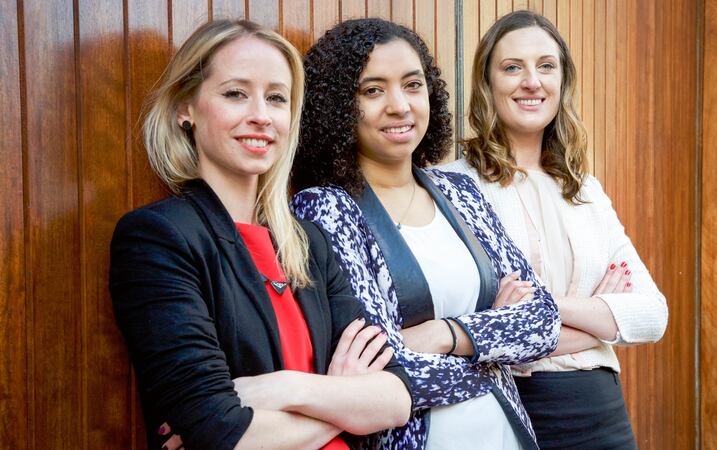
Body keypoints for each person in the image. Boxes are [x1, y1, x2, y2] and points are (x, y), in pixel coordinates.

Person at [109, 19, 412, 450]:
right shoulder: (158, 237)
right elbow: (221, 433)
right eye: (235, 93)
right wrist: (344, 404)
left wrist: (288, 388)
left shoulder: (310, 244)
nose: (260, 116)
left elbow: (397, 399)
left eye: (276, 98)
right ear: (185, 107)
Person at [291, 18, 560, 450]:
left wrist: (444, 334)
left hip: (508, 434)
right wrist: (493, 339)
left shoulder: (460, 191)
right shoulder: (325, 208)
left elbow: (543, 321)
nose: (400, 105)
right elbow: (384, 369)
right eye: (373, 90)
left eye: (413, 85)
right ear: (339, 107)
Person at [443, 11, 669, 449]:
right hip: (501, 409)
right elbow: (463, 332)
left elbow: (652, 314)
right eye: (513, 67)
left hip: (600, 415)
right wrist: (596, 316)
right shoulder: (451, 187)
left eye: (546, 66)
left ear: (562, 82)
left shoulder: (584, 191)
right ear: (487, 84)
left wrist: (534, 313)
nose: (532, 81)